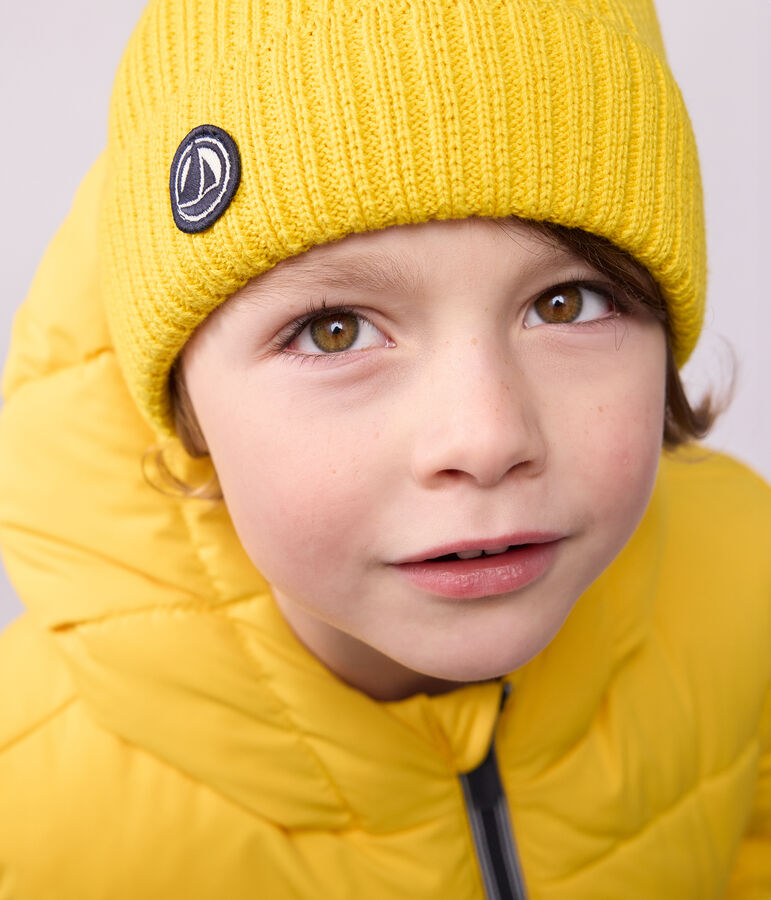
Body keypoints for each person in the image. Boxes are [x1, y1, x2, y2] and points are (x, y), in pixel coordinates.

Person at [0, 0, 768, 896]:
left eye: (568, 304)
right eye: (332, 331)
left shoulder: (749, 580)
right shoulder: (30, 809)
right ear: (185, 406)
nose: (486, 440)